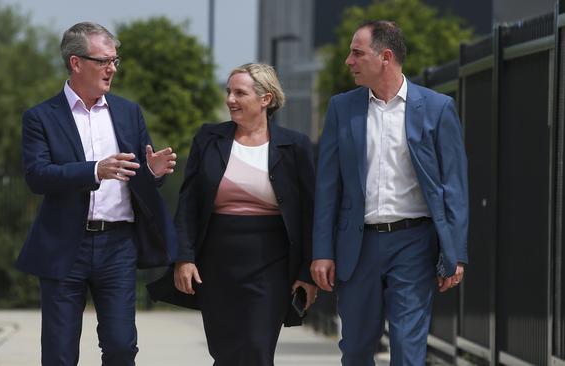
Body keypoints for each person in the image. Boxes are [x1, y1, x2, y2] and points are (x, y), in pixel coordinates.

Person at [16, 21, 177, 365]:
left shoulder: (128, 112)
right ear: (76, 63)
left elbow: (135, 177)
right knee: (59, 354)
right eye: (104, 61)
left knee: (121, 347)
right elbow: (37, 176)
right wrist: (93, 170)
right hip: (64, 247)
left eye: (115, 61)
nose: (112, 69)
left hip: (118, 246)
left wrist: (150, 172)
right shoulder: (41, 117)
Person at [311, 20, 468, 366]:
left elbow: (453, 186)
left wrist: (454, 251)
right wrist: (322, 251)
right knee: (355, 349)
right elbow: (327, 187)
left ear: (385, 57)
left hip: (414, 244)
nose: (348, 62)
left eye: (357, 53)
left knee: (408, 350)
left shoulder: (437, 108)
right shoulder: (342, 108)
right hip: (358, 244)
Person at [171, 63, 317, 365]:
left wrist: (307, 272)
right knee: (225, 353)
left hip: (272, 264)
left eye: (240, 93)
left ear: (266, 99)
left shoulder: (295, 146)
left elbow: (309, 213)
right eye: (228, 92)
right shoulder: (208, 138)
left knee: (257, 349)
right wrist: (184, 258)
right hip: (216, 263)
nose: (230, 100)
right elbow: (188, 203)